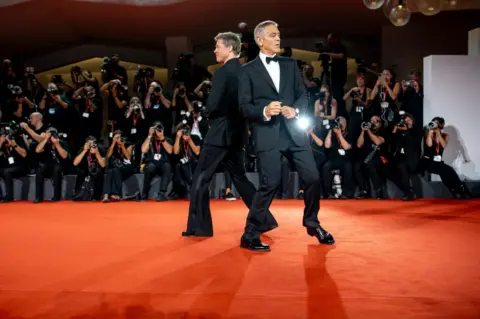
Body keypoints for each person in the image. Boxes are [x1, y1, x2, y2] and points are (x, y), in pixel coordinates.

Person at [238, 20, 334, 252]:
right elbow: (243, 107)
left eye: (279, 34)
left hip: (293, 134)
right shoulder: (246, 71)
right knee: (268, 184)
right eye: (273, 35)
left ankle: (312, 223)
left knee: (312, 178)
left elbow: (302, 96)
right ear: (260, 40)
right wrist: (263, 111)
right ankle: (249, 234)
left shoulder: (291, 64)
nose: (278, 38)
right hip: (267, 134)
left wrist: (296, 110)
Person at [182, 31, 278, 237]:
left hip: (219, 134)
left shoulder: (223, 73)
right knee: (240, 178)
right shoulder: (246, 72)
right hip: (238, 134)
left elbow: (213, 105)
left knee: (200, 178)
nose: (215, 50)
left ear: (230, 48)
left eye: (218, 46)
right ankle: (263, 220)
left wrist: (207, 114)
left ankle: (199, 227)